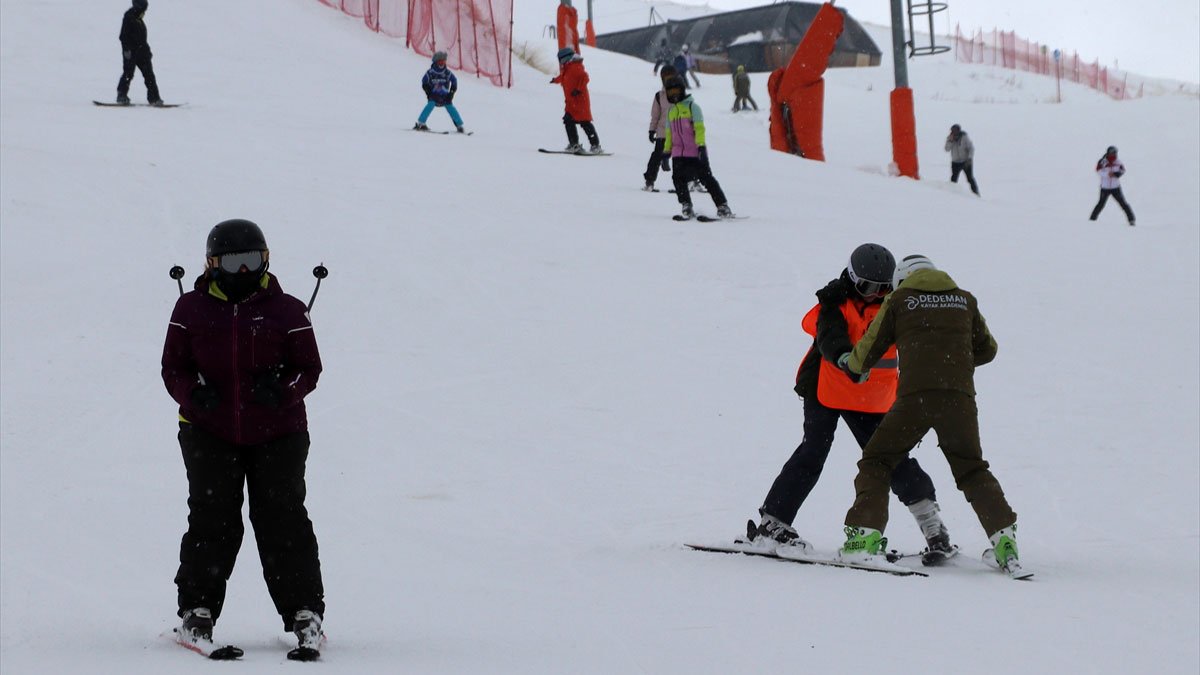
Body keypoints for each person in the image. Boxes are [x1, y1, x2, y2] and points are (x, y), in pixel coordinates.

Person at [162, 219, 326, 653]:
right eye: (233, 263)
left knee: (282, 517)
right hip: (208, 430)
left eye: (252, 261)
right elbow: (173, 368)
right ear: (212, 264)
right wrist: (195, 395)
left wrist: (283, 391)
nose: (242, 272)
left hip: (279, 431)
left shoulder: (287, 310)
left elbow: (309, 369)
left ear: (266, 260)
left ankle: (304, 612)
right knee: (212, 518)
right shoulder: (190, 310)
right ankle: (197, 611)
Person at [751, 245, 953, 563]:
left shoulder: (896, 304)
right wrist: (845, 358)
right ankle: (772, 524)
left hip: (869, 397)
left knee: (893, 458)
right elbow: (829, 335)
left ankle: (933, 527)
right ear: (852, 279)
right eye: (867, 288)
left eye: (882, 288)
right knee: (812, 453)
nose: (874, 295)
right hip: (825, 390)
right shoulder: (834, 301)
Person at [839, 254, 1027, 577]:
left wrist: (852, 366)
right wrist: (953, 365)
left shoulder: (900, 300)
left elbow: (870, 346)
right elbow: (988, 349)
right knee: (972, 469)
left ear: (903, 279)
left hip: (915, 397)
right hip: (959, 400)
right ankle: (1004, 544)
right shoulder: (964, 299)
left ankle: (864, 539)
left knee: (878, 460)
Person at [662, 76, 732, 219]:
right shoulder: (671, 112)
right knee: (678, 179)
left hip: (694, 152)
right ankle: (686, 204)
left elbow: (699, 129)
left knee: (706, 179)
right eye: (670, 92)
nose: (674, 95)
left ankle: (722, 205)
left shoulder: (693, 108)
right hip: (677, 154)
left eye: (676, 91)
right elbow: (669, 134)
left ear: (682, 90)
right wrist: (666, 152)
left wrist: (700, 147)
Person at [550, 47, 602, 154]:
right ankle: (574, 144)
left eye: (560, 59)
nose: (560, 62)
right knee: (568, 121)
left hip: (580, 102)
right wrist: (555, 80)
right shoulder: (567, 68)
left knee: (585, 123)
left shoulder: (576, 66)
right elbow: (563, 77)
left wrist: (578, 89)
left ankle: (595, 145)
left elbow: (585, 77)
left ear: (565, 58)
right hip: (571, 103)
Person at [116, 0, 162, 106]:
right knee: (128, 73)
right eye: (143, 8)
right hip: (131, 52)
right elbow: (123, 36)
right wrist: (127, 50)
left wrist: (147, 51)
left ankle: (154, 98)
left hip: (142, 52)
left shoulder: (139, 20)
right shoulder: (129, 17)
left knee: (149, 75)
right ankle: (121, 95)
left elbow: (142, 39)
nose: (145, 11)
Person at [642, 65, 677, 191]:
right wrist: (652, 130)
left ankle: (684, 183)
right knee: (656, 156)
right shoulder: (659, 96)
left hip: (678, 133)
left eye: (671, 77)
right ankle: (649, 181)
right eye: (666, 77)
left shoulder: (680, 95)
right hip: (663, 133)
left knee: (682, 159)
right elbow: (655, 116)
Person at [414, 51, 466, 133]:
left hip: (445, 97)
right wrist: (428, 92)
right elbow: (424, 82)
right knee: (430, 105)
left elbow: (454, 81)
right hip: (434, 96)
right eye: (440, 61)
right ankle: (421, 123)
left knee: (451, 108)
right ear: (435, 62)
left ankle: (459, 125)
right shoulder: (431, 73)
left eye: (444, 61)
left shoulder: (447, 73)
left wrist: (451, 93)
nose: (442, 63)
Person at [1089, 146, 1135, 226]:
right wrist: (1107, 174)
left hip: (1115, 187)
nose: (1113, 154)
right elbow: (1098, 170)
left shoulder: (1118, 162)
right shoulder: (1103, 161)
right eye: (1112, 153)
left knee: (1123, 203)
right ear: (1108, 153)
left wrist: (1116, 174)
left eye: (1115, 153)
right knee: (1101, 204)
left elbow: (1122, 170)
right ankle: (1092, 220)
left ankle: (1131, 220)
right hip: (1105, 187)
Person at [944, 124, 980, 196]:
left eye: (955, 131)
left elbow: (971, 148)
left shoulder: (964, 137)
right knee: (953, 179)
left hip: (965, 162)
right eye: (952, 131)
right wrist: (950, 141)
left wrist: (969, 159)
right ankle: (952, 194)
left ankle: (976, 194)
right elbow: (946, 149)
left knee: (970, 178)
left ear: (959, 131)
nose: (954, 132)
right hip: (955, 162)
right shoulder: (950, 138)